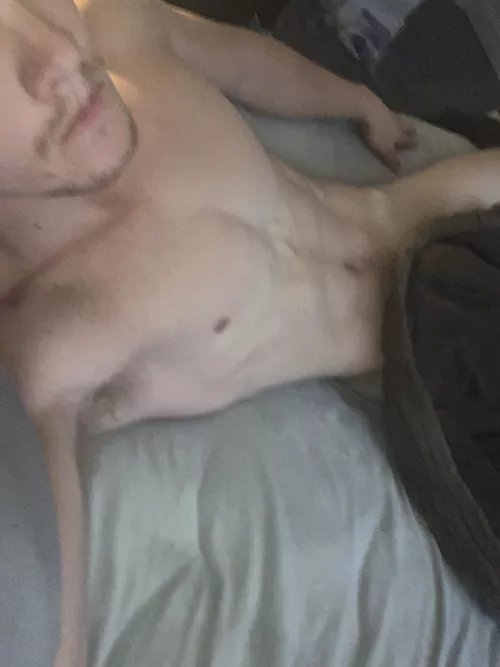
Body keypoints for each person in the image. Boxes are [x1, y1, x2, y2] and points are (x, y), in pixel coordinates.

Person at [1, 2, 500, 666]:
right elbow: (48, 629)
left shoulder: (113, 26)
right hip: (423, 363)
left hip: (419, 211)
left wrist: (355, 100)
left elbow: (245, 63)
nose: (60, 52)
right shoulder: (52, 339)